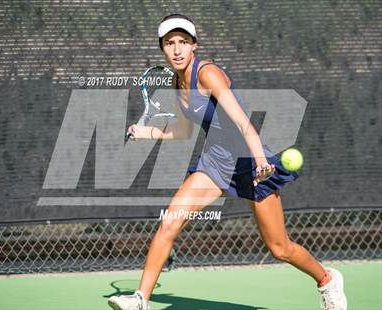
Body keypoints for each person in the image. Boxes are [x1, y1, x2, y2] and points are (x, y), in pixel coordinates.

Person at [108, 14, 347, 310]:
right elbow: (182, 131)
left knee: (279, 248)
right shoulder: (176, 81)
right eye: (170, 43)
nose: (177, 49)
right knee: (169, 222)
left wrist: (260, 159)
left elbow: (244, 122)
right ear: (162, 49)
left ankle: (327, 280)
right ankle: (140, 299)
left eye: (184, 42)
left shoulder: (208, 74)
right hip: (215, 164)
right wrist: (147, 131)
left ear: (194, 45)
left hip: (250, 163)